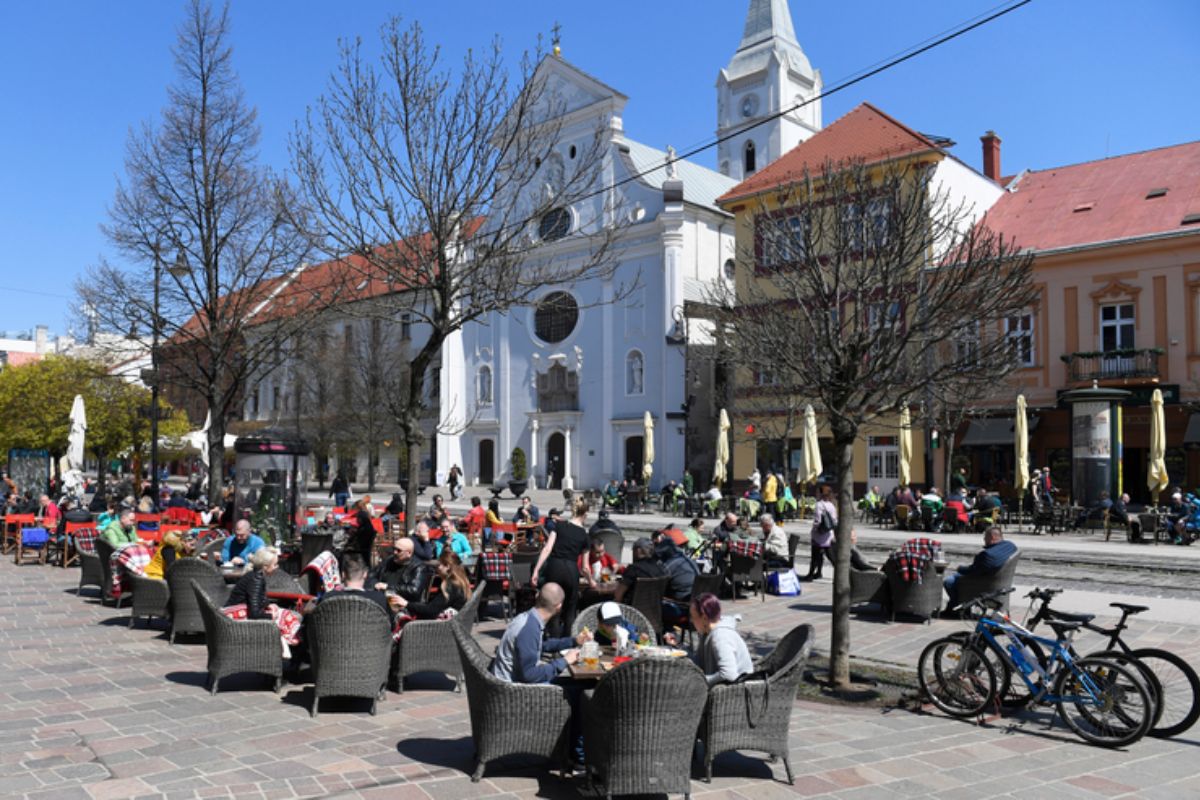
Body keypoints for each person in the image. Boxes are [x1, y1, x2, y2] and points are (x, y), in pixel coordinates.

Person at [490, 583, 588, 684]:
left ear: (537, 596)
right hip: (514, 689)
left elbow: (542, 645)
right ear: (559, 606)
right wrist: (565, 661)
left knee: (578, 684)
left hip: (513, 681)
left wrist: (574, 641)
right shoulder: (529, 629)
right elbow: (529, 675)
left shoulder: (529, 618)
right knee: (581, 687)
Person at [532, 498, 591, 637]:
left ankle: (554, 644)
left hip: (555, 567)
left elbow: (547, 549)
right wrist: (591, 581)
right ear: (585, 514)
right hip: (571, 570)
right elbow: (585, 568)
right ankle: (566, 646)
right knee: (570, 610)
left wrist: (536, 570)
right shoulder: (585, 536)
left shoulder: (559, 526)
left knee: (553, 607)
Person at [669, 593, 753, 686]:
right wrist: (678, 645)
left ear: (704, 618)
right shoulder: (707, 632)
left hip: (735, 691)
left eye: (693, 617)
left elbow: (729, 674)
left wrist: (701, 682)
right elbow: (699, 662)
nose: (691, 621)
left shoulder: (720, 637)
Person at [942, 527, 1018, 609]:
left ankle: (955, 607)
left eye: (985, 537)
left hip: (986, 584)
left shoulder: (986, 555)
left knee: (949, 581)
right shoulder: (1011, 545)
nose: (984, 540)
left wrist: (960, 568)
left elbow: (973, 572)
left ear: (992, 537)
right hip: (1000, 580)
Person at [393, 549, 471, 619]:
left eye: (438, 565)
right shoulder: (461, 582)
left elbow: (431, 610)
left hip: (438, 628)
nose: (436, 568)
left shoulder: (449, 586)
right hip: (451, 624)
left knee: (401, 616)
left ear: (447, 566)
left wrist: (406, 604)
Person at [226, 547, 281, 620]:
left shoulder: (253, 575)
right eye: (275, 564)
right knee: (284, 616)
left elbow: (256, 599)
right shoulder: (256, 579)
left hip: (234, 613)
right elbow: (254, 613)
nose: (277, 567)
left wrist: (268, 605)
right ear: (265, 567)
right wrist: (270, 616)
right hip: (235, 618)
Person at [370, 537, 431, 602]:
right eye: (394, 549)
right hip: (381, 598)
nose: (395, 552)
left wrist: (388, 587)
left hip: (404, 603)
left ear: (409, 553)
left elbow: (414, 590)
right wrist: (375, 584)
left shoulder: (419, 567)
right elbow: (372, 575)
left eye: (399, 550)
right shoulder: (389, 560)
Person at [614, 537, 666, 604]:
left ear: (638, 550)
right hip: (655, 611)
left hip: (631, 611)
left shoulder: (634, 569)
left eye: (633, 550)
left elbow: (618, 595)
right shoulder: (659, 567)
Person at [807, 485, 837, 580]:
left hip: (819, 535)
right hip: (829, 534)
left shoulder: (819, 505)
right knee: (830, 556)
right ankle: (837, 573)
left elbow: (817, 520)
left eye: (817, 492)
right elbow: (835, 521)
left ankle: (811, 574)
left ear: (821, 494)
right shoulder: (832, 505)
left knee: (815, 555)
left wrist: (814, 530)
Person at [343, 496, 377, 564]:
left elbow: (354, 540)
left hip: (359, 550)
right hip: (366, 550)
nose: (358, 520)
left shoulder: (363, 529)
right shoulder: (369, 527)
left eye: (359, 519)